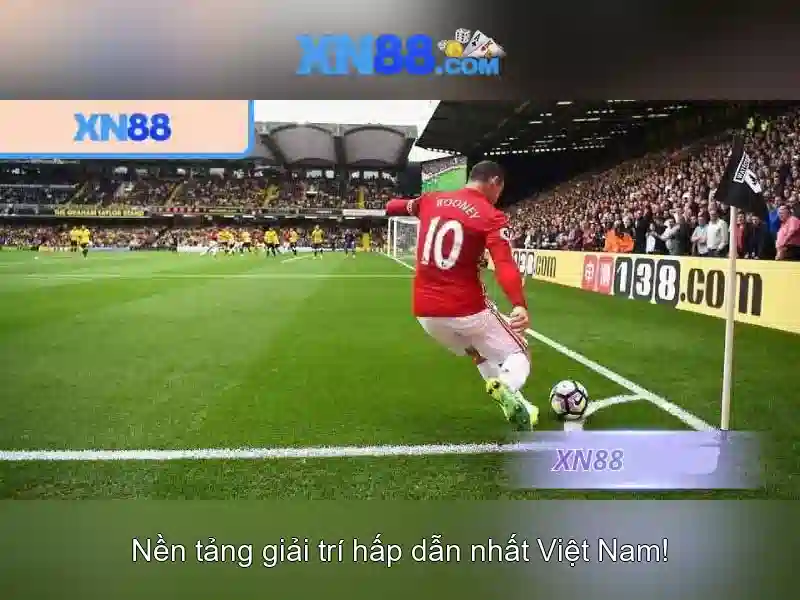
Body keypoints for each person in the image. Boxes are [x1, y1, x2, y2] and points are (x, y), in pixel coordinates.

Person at [384, 160, 537, 431]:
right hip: (466, 308)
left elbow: (393, 206)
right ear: (494, 183)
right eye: (500, 190)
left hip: (425, 313)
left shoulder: (431, 200)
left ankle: (516, 404)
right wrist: (519, 304)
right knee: (520, 353)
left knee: (478, 351)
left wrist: (397, 205)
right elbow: (504, 263)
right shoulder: (491, 215)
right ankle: (507, 384)